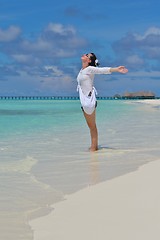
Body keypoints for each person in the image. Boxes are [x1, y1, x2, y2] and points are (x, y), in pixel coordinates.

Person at [77, 52, 128, 152]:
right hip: (84, 101)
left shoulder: (89, 69)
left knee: (92, 127)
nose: (84, 55)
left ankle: (93, 148)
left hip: (89, 101)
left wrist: (116, 69)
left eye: (87, 55)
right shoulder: (82, 70)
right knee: (91, 126)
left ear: (89, 61)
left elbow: (102, 70)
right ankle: (94, 147)